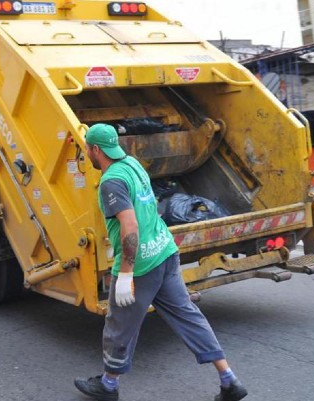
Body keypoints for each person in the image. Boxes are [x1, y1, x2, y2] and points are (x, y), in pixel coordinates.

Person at [74, 124, 247, 401]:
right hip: (165, 251)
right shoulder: (133, 164)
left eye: (86, 148)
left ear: (95, 150)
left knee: (120, 324)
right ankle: (229, 379)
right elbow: (150, 204)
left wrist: (127, 274)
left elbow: (130, 227)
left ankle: (108, 385)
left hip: (141, 264)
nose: (86, 153)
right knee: (188, 315)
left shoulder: (112, 181)